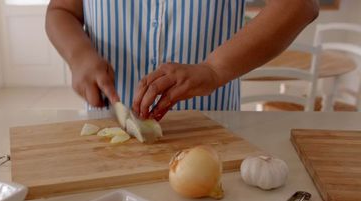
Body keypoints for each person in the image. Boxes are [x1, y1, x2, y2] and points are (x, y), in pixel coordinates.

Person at [46, 0, 319, 121]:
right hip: (109, 128)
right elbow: (61, 10)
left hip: (212, 128)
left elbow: (298, 5)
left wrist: (213, 69)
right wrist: (79, 55)